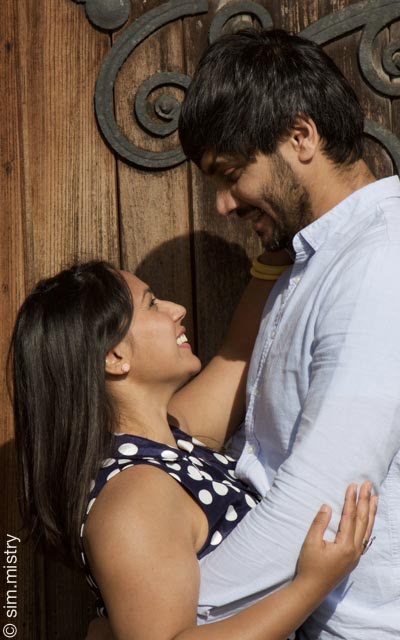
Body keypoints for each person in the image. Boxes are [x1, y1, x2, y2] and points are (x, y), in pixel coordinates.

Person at [9, 260, 376, 640]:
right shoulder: (133, 499)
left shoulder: (171, 436)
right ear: (115, 357)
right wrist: (311, 585)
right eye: (152, 304)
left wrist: (277, 251)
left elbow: (238, 352)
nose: (177, 309)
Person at [177, 28, 400, 638]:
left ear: (301, 137)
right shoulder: (312, 259)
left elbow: (321, 503)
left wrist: (161, 612)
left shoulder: (380, 262)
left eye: (231, 174)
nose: (222, 205)